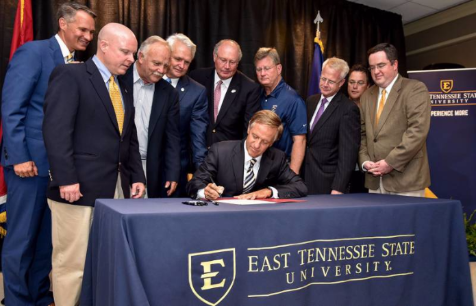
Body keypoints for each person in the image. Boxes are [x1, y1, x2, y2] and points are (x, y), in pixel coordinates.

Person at [43, 23, 145, 306]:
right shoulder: (71, 75)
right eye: (125, 52)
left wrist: (137, 175)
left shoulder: (121, 85)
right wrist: (66, 179)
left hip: (116, 191)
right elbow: (56, 131)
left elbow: (128, 136)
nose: (131, 59)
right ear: (104, 45)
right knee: (72, 264)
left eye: (134, 54)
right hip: (77, 189)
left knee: (107, 261)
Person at [1, 3, 96, 305]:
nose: (87, 36)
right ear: (63, 24)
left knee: (45, 243)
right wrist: (19, 157)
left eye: (92, 32)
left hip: (58, 171)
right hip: (27, 167)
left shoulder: (78, 64)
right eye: (83, 29)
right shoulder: (34, 52)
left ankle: (40, 297)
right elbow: (12, 107)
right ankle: (16, 301)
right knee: (21, 241)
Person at [359, 43, 431, 196]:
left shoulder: (414, 89)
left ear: (395, 64)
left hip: (406, 181)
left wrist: (390, 162)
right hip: (374, 180)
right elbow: (362, 133)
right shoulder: (366, 96)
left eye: (381, 65)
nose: (376, 71)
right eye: (372, 67)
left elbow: (417, 131)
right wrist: (365, 162)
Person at [187, 110, 307, 200]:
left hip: (258, 219)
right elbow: (194, 183)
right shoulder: (220, 151)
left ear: (272, 142)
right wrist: (205, 192)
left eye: (265, 142)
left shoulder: (277, 157)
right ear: (249, 128)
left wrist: (268, 192)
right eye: (255, 136)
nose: (256, 145)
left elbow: (300, 187)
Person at [120, 35, 180, 197]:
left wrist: (172, 172)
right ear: (140, 57)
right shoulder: (118, 79)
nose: (161, 71)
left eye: (166, 66)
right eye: (156, 64)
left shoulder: (169, 93)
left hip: (150, 166)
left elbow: (172, 136)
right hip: (119, 165)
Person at [304, 57, 360, 194]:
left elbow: (348, 154)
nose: (325, 84)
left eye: (331, 81)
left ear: (341, 83)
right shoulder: (310, 101)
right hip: (304, 178)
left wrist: (338, 187)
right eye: (323, 79)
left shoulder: (348, 109)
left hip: (328, 183)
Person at [189, 39, 261, 146]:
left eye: (232, 62)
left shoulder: (250, 89)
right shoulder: (196, 77)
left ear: (238, 63)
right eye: (223, 60)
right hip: (196, 152)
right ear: (214, 56)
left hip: (229, 156)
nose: (227, 66)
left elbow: (248, 130)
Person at [164, 33, 208, 196]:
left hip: (175, 172)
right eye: (177, 59)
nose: (181, 65)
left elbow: (198, 137)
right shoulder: (147, 80)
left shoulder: (196, 92)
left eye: (187, 62)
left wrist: (202, 174)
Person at [254, 47, 307, 174]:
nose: (262, 73)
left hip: (281, 168)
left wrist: (292, 176)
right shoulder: (256, 94)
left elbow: (300, 140)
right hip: (257, 167)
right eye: (259, 69)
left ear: (279, 69)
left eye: (267, 68)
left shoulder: (293, 100)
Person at [347, 64, 370, 193]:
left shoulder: (375, 111)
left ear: (367, 86)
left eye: (360, 83)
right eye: (352, 82)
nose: (355, 87)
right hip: (342, 173)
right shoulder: (337, 108)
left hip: (366, 172)